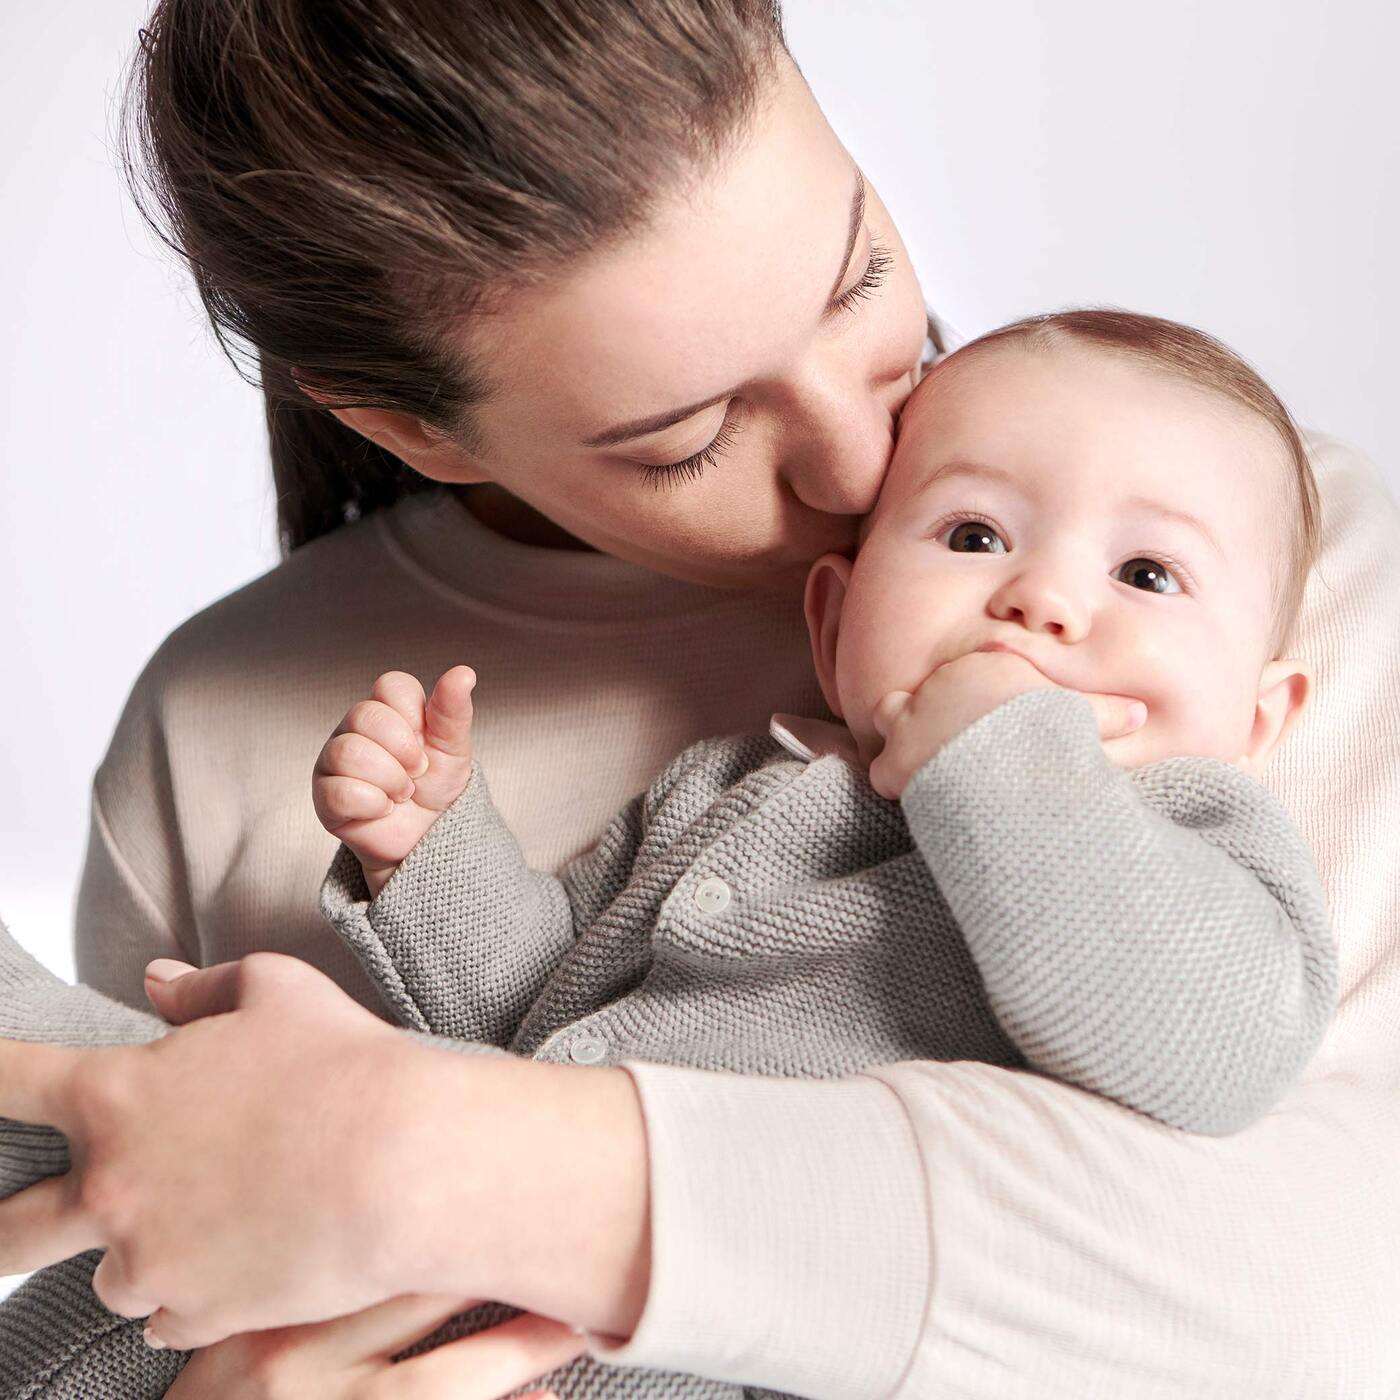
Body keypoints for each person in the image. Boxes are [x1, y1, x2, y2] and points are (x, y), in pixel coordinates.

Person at [0, 0, 1396, 1395]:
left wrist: (432, 1161)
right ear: (405, 426)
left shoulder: (1258, 559)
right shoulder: (226, 718)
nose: (864, 469)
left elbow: (1327, 1292)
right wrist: (435, 857)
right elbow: (184, 1201)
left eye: (858, 278)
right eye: (686, 437)